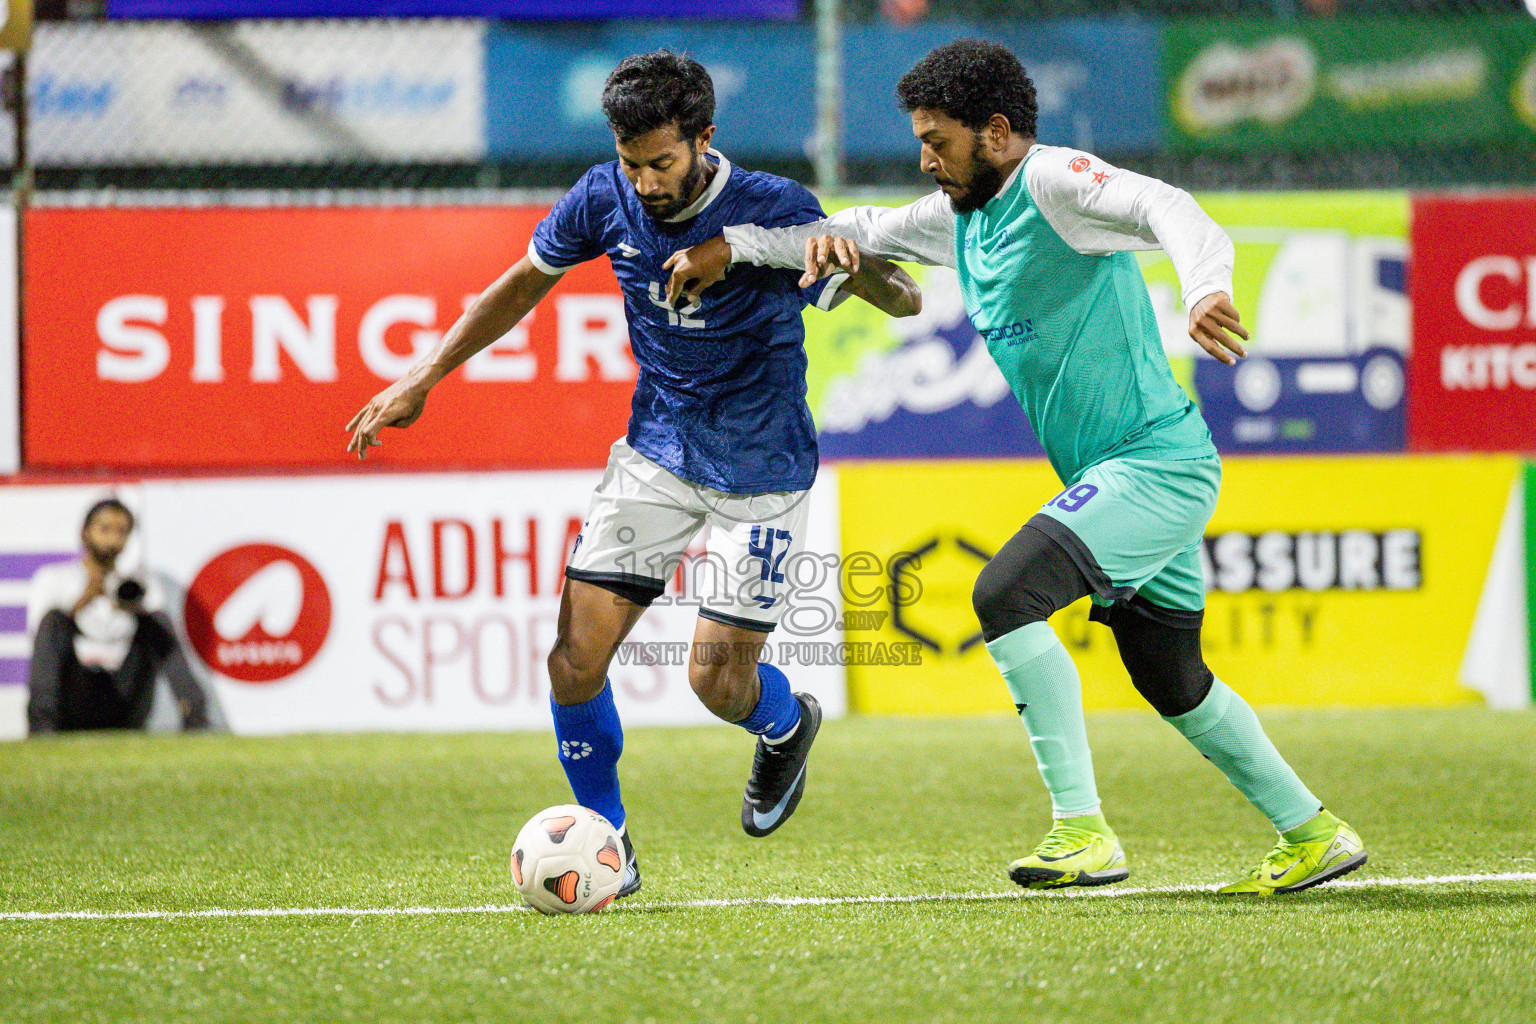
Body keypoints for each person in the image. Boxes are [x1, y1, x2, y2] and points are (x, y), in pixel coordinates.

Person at [664, 39, 1365, 896]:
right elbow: (851, 231)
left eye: (938, 140)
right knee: (1171, 679)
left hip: (1157, 465)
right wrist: (729, 249)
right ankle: (1313, 832)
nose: (925, 158)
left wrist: (1202, 288)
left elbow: (1171, 208)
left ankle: (1082, 831)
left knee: (1002, 595)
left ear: (995, 132)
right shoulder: (960, 215)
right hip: (1129, 473)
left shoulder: (1056, 183)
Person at [346, 51, 921, 899]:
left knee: (714, 683)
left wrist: (852, 263)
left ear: (703, 139)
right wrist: (422, 378)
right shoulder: (602, 197)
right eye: (631, 163)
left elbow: (903, 297)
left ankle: (785, 720)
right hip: (655, 455)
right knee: (574, 660)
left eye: (663, 162)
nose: (647, 183)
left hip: (763, 470)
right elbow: (518, 286)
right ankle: (608, 841)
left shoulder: (772, 209)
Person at [27, 498, 209, 736]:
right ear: (85, 532)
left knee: (157, 622)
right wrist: (85, 598)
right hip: (74, 694)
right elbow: (39, 637)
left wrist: (131, 608)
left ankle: (197, 722)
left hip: (125, 695)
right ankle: (41, 730)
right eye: (104, 529)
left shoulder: (138, 582)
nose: (112, 540)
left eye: (121, 532)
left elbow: (163, 639)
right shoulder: (55, 578)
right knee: (53, 621)